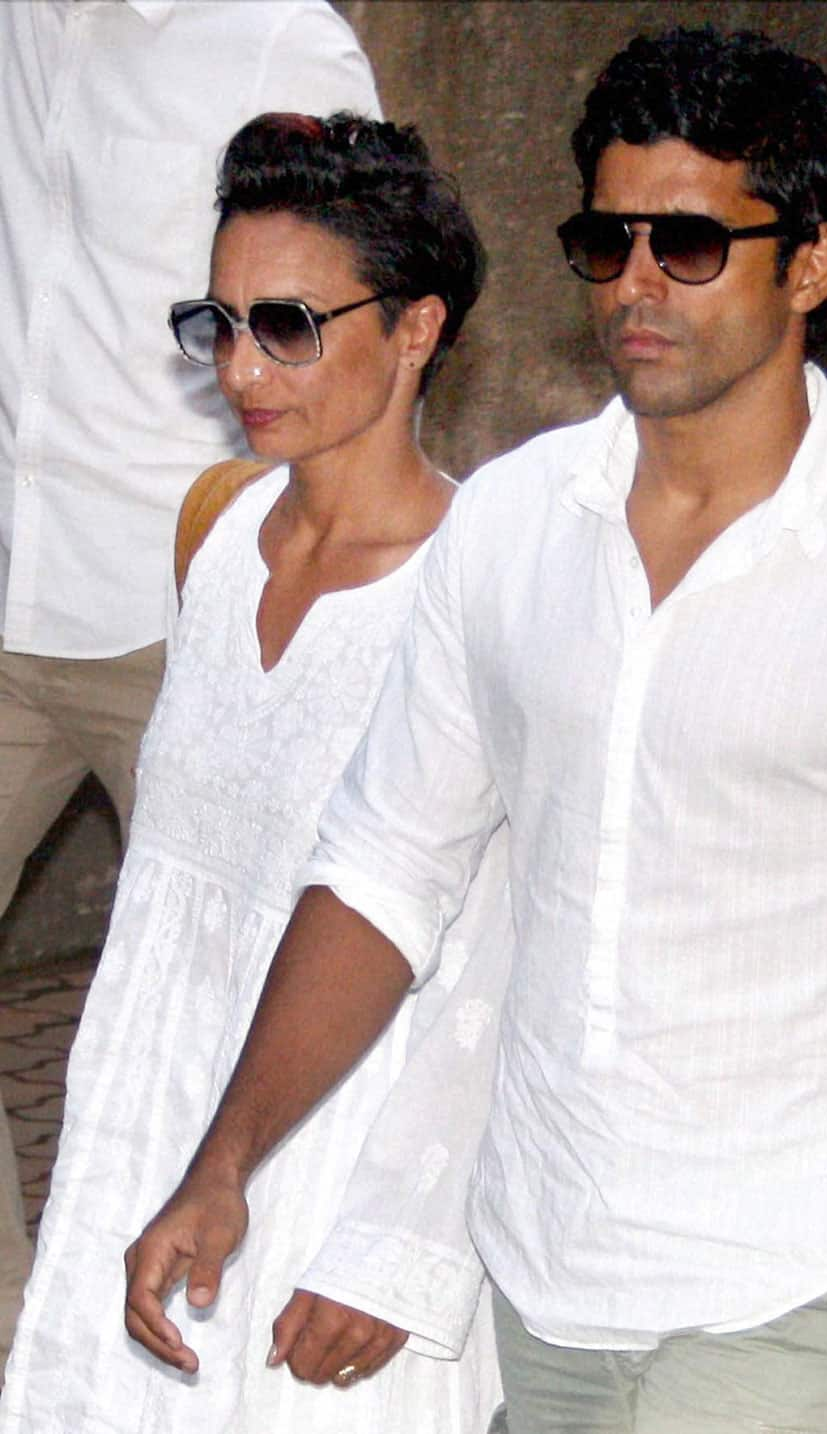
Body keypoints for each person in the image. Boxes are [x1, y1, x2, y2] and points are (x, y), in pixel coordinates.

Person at [122, 25, 827, 1434]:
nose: (638, 283)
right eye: (609, 239)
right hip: (543, 1266)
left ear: (815, 262)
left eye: (692, 244)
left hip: (782, 1273)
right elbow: (388, 866)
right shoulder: (514, 529)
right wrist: (225, 1161)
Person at [0, 112, 508, 1433]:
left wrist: (404, 1241)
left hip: (344, 1152)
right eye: (215, 322)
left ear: (416, 328)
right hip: (152, 1113)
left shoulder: (481, 590)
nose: (239, 365)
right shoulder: (214, 528)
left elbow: (490, 960)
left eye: (286, 325)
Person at [0, 0, 380, 1368]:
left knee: (258, 1011)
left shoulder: (274, 38)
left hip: (193, 596)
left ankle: (264, 1353)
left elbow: (371, 314)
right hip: (12, 581)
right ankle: (27, 1353)